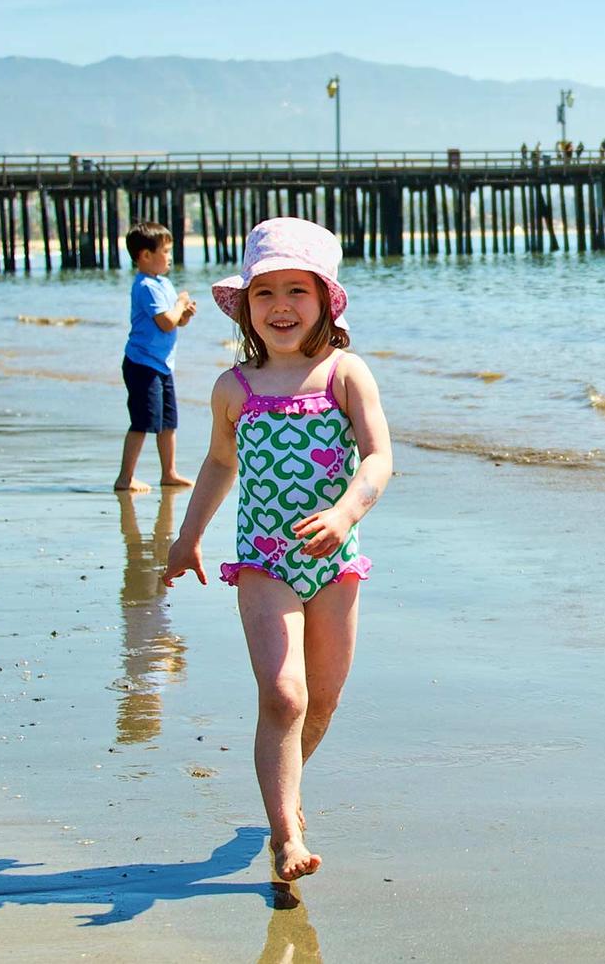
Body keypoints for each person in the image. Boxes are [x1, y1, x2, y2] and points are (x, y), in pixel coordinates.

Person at [163, 218, 393, 885]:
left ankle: (287, 788)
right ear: (244, 306)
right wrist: (187, 536)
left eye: (298, 289)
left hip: (336, 559)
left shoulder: (345, 374)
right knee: (284, 695)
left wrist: (347, 509)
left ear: (325, 299)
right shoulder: (235, 387)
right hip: (264, 561)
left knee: (321, 700)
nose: (281, 306)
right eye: (265, 293)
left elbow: (379, 458)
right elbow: (216, 462)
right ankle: (285, 830)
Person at [116, 221, 198, 492]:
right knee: (142, 422)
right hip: (142, 364)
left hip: (162, 365)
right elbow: (165, 322)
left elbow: (176, 322)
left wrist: (184, 313)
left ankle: (169, 472)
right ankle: (125, 477)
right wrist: (178, 306)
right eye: (165, 250)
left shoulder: (163, 283)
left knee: (168, 422)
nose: (170, 256)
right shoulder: (145, 286)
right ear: (145, 256)